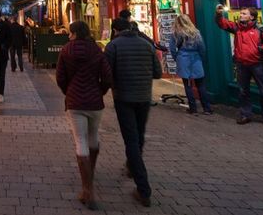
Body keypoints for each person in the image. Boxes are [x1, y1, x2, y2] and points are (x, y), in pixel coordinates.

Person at [105, 17, 162, 207]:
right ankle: (132, 166)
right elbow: (158, 73)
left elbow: (107, 73)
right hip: (144, 97)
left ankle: (143, 189)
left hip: (123, 97)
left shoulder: (113, 46)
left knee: (131, 139)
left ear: (115, 30)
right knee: (139, 135)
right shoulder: (147, 45)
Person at [56, 21, 112, 209]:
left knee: (80, 141)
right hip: (95, 102)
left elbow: (60, 78)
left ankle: (87, 189)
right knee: (93, 138)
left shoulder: (66, 50)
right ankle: (91, 175)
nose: (68, 35)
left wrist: (69, 91)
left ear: (74, 33)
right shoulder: (96, 50)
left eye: (70, 32)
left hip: (75, 102)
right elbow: (107, 77)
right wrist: (99, 91)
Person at [215, 5, 263, 127]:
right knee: (243, 91)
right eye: (241, 13)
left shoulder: (261, 30)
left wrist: (261, 48)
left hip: (257, 65)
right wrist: (218, 14)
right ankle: (245, 114)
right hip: (242, 65)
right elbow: (222, 24)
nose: (241, 15)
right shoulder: (236, 28)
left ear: (252, 16)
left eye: (244, 13)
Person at [169, 14, 213, 115]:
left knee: (188, 85)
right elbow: (202, 47)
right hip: (195, 59)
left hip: (183, 59)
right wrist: (201, 58)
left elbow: (172, 48)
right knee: (201, 85)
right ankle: (206, 108)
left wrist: (177, 58)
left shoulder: (175, 33)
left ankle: (193, 108)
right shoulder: (196, 33)